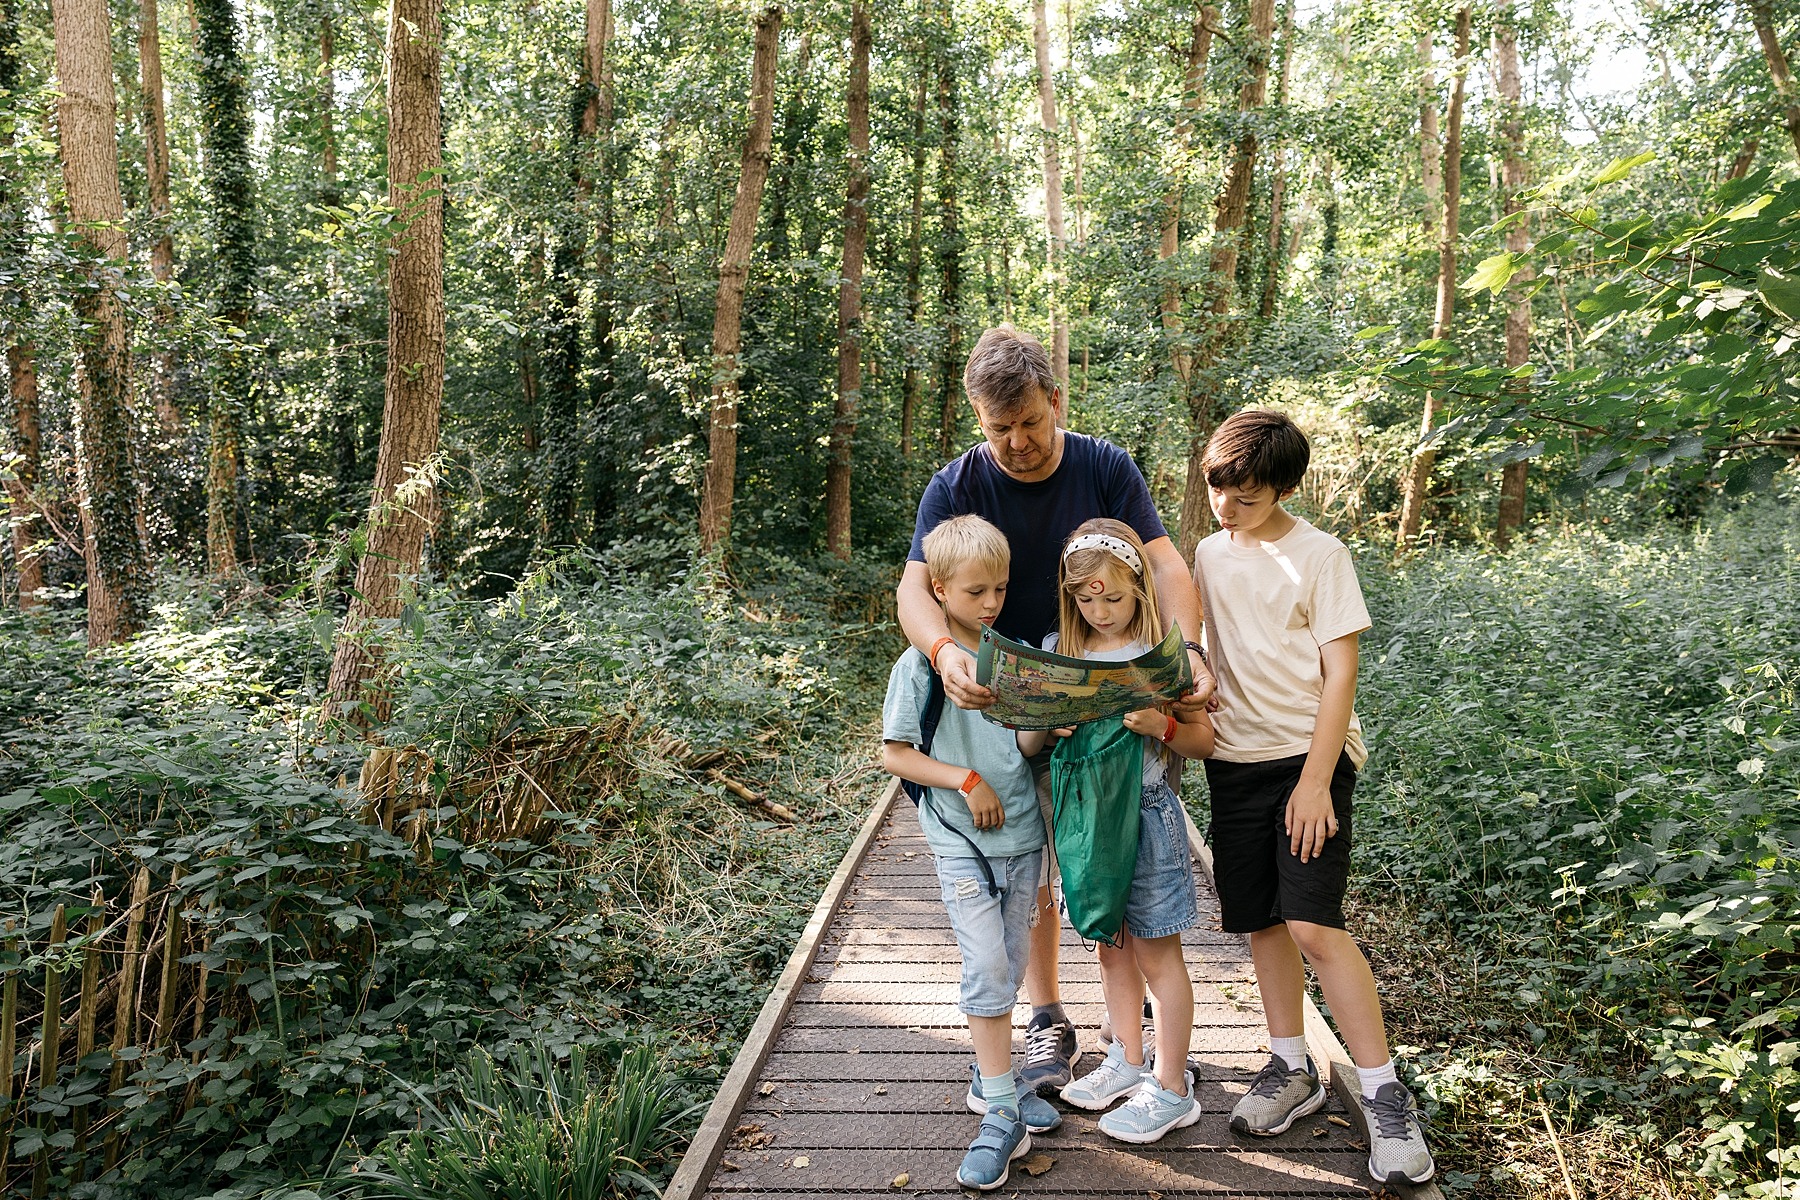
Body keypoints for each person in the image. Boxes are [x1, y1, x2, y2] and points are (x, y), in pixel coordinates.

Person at [895, 324, 1215, 1094]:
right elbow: (912, 588)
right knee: (1032, 857)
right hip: (1013, 701)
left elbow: (1165, 562)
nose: (1016, 443)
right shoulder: (957, 483)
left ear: (1055, 402)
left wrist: (1191, 650)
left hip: (1109, 695)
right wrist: (944, 652)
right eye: (997, 429)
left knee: (1120, 846)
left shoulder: (1105, 465)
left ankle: (1135, 1036)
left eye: (1030, 424)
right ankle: (1048, 1019)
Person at [1193, 410, 1435, 1185]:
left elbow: (1341, 674)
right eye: (1216, 489)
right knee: (1261, 918)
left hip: (1310, 759)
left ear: (1286, 489)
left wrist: (1313, 781)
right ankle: (1290, 1066)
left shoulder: (1321, 554)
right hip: (1233, 761)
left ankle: (1384, 1095)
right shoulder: (1205, 552)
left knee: (1313, 923)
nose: (1227, 509)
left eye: (1247, 497)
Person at [1016, 520, 1214, 1144]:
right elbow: (1027, 742)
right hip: (1084, 817)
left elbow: (1205, 743)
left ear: (1140, 591)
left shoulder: (1161, 652)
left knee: (1158, 953)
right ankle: (1126, 1056)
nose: (1098, 612)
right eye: (1085, 599)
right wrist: (1054, 727)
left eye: (1112, 598)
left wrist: (1162, 725)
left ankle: (1173, 1086)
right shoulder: (1059, 650)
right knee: (1111, 943)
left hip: (1147, 811)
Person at [880, 515, 1062, 1191]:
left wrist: (1041, 722)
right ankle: (1001, 1118)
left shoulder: (1008, 653)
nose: (992, 602)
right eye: (978, 590)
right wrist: (965, 778)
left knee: (1009, 967)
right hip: (963, 844)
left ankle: (995, 1083)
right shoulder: (918, 667)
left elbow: (1021, 749)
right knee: (986, 967)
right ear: (940, 589)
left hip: (1022, 841)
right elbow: (893, 753)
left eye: (1002, 588)